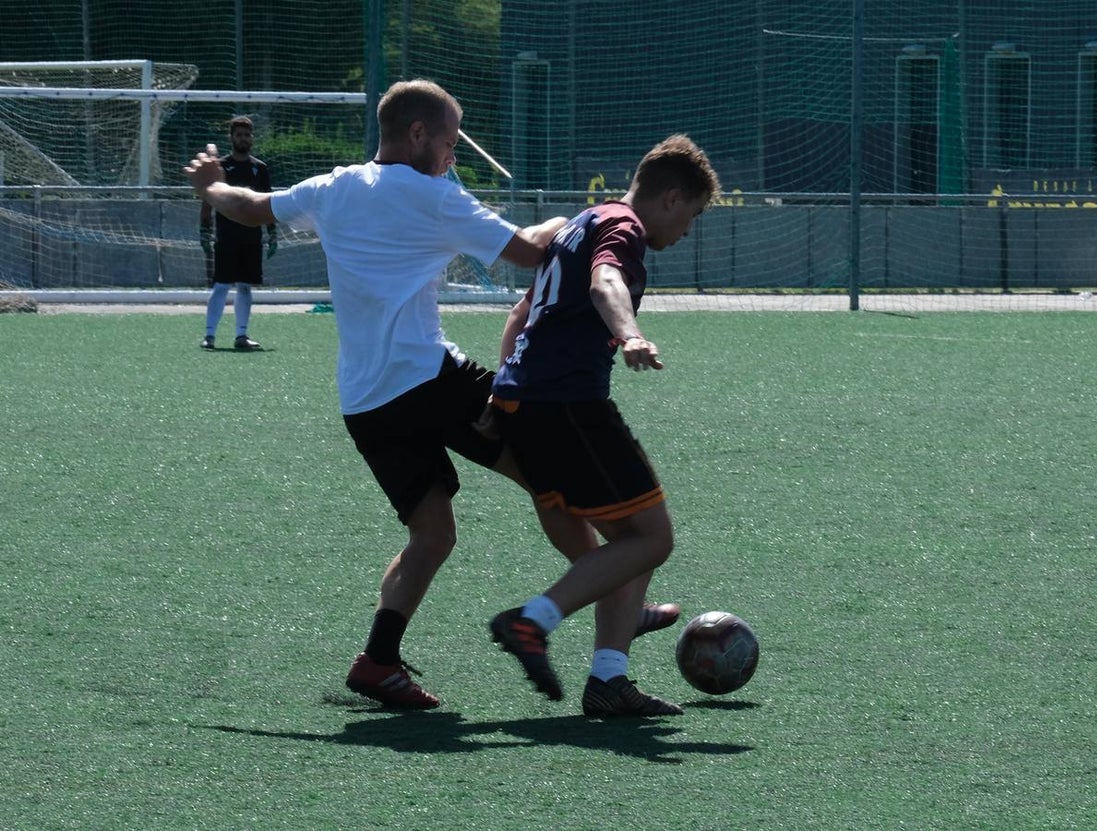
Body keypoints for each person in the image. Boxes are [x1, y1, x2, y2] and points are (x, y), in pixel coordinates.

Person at [183, 79, 679, 711]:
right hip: (429, 380)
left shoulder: (334, 187)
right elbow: (531, 251)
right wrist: (573, 219)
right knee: (548, 471)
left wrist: (210, 188)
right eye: (449, 142)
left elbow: (251, 206)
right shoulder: (433, 195)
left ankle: (377, 662)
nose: (453, 155)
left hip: (365, 401)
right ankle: (613, 592)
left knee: (433, 534)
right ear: (417, 134)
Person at [487, 134, 721, 717]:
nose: (686, 231)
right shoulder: (624, 227)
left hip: (525, 403)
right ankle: (533, 620)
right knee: (652, 539)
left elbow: (521, 311)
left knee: (628, 546)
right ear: (671, 198)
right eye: (691, 216)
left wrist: (504, 385)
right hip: (568, 405)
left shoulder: (581, 221)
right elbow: (605, 282)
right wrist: (630, 334)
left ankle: (609, 680)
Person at [198, 115, 277, 351]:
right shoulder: (220, 167)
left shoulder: (259, 168)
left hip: (251, 238)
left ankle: (241, 335)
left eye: (247, 135)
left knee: (245, 286)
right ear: (231, 138)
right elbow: (208, 200)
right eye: (239, 135)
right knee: (221, 285)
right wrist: (204, 230)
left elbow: (268, 202)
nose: (243, 139)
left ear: (252, 138)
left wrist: (272, 233)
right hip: (227, 237)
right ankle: (209, 336)